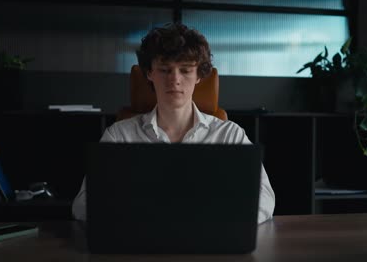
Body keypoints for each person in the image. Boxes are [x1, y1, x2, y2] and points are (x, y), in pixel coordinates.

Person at [72, 22, 275, 224]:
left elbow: (264, 198)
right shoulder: (119, 136)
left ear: (199, 76)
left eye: (185, 70)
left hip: (210, 240)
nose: (175, 80)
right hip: (140, 242)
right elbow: (83, 204)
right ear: (149, 73)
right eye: (165, 70)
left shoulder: (229, 135)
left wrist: (218, 220)